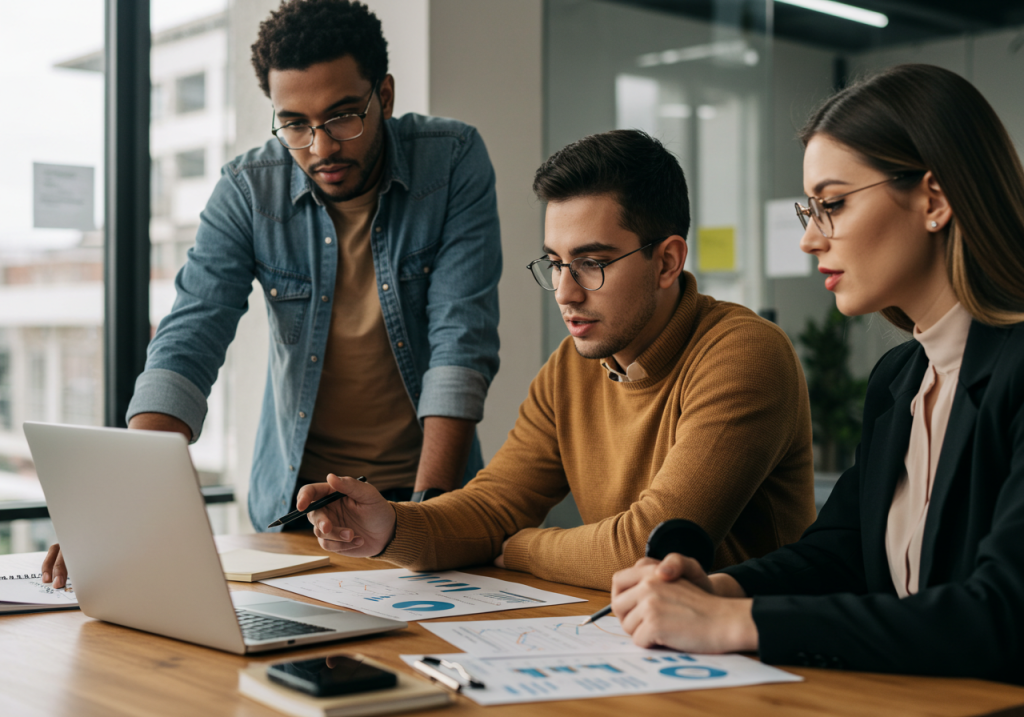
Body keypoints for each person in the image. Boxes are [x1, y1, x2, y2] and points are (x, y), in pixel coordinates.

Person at [41, 0, 502, 588]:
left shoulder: (453, 160)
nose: (320, 147)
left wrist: (429, 513)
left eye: (342, 118)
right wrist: (123, 505)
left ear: (383, 96)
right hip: (301, 507)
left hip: (424, 494)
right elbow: (190, 338)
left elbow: (460, 341)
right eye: (294, 124)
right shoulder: (247, 189)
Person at [609, 64, 1024, 684]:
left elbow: (1003, 616)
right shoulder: (901, 379)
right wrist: (719, 588)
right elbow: (843, 553)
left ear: (934, 200)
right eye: (811, 208)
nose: (808, 239)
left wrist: (734, 625)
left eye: (831, 204)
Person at [294, 129, 817, 591]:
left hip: (760, 661)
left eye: (591, 263)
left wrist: (519, 548)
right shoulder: (572, 365)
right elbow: (494, 506)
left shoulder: (744, 353)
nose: (565, 293)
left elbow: (647, 547)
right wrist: (389, 525)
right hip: (638, 642)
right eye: (554, 263)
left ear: (667, 261)